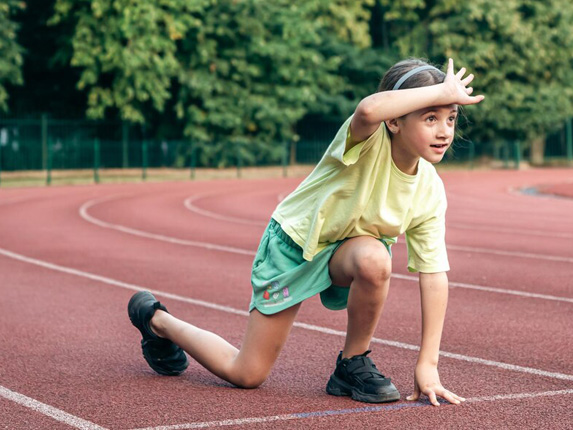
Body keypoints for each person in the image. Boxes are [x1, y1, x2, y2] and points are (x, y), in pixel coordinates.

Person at [128, 57, 484, 406]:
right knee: (247, 374)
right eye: (431, 118)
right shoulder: (366, 140)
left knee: (376, 259)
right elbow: (368, 110)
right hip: (294, 245)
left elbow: (434, 273)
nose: (444, 131)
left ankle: (352, 363)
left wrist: (428, 366)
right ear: (394, 122)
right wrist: (442, 89)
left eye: (451, 118)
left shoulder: (429, 190)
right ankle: (158, 321)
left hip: (348, 252)